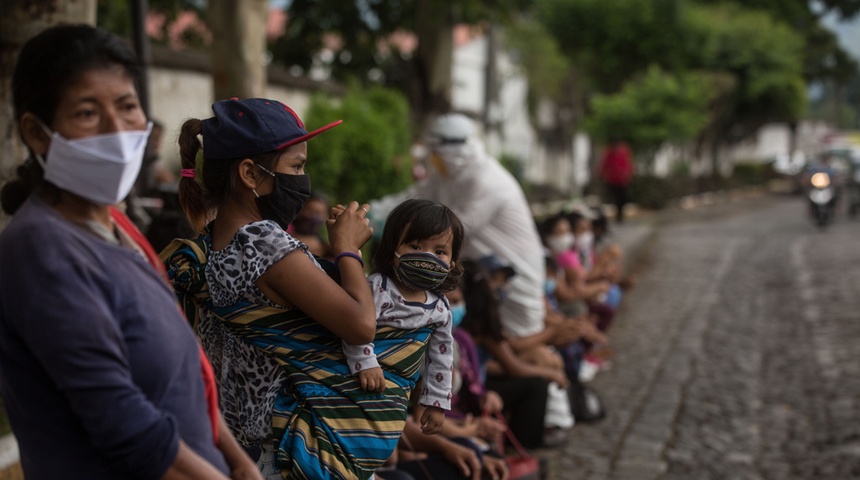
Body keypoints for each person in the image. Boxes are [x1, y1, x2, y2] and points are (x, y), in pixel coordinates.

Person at [0, 24, 243, 479]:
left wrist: (236, 459)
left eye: (128, 106)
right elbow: (124, 424)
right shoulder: (42, 249)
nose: (117, 130)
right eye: (88, 114)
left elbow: (183, 369)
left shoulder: (114, 226)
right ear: (37, 133)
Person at [163, 97, 427, 480]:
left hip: (255, 449)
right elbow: (360, 325)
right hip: (294, 454)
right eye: (297, 166)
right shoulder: (264, 242)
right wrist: (348, 249)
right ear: (250, 174)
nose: (304, 179)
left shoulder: (213, 243)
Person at [345, 198, 463, 434]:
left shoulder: (440, 307)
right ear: (391, 252)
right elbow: (353, 326)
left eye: (439, 251)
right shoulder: (378, 287)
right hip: (357, 386)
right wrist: (365, 362)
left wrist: (435, 403)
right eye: (415, 247)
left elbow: (441, 357)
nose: (427, 257)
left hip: (395, 398)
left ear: (451, 264)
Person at [598, 138, 634, 223]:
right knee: (616, 198)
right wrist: (602, 174)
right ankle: (618, 216)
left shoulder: (624, 151)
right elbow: (605, 164)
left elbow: (628, 164)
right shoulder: (609, 153)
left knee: (622, 198)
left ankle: (620, 214)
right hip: (612, 179)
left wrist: (628, 174)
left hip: (622, 180)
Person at [289, 190, 332, 258]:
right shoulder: (282, 240)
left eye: (318, 213)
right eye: (310, 210)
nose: (313, 216)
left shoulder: (328, 250)